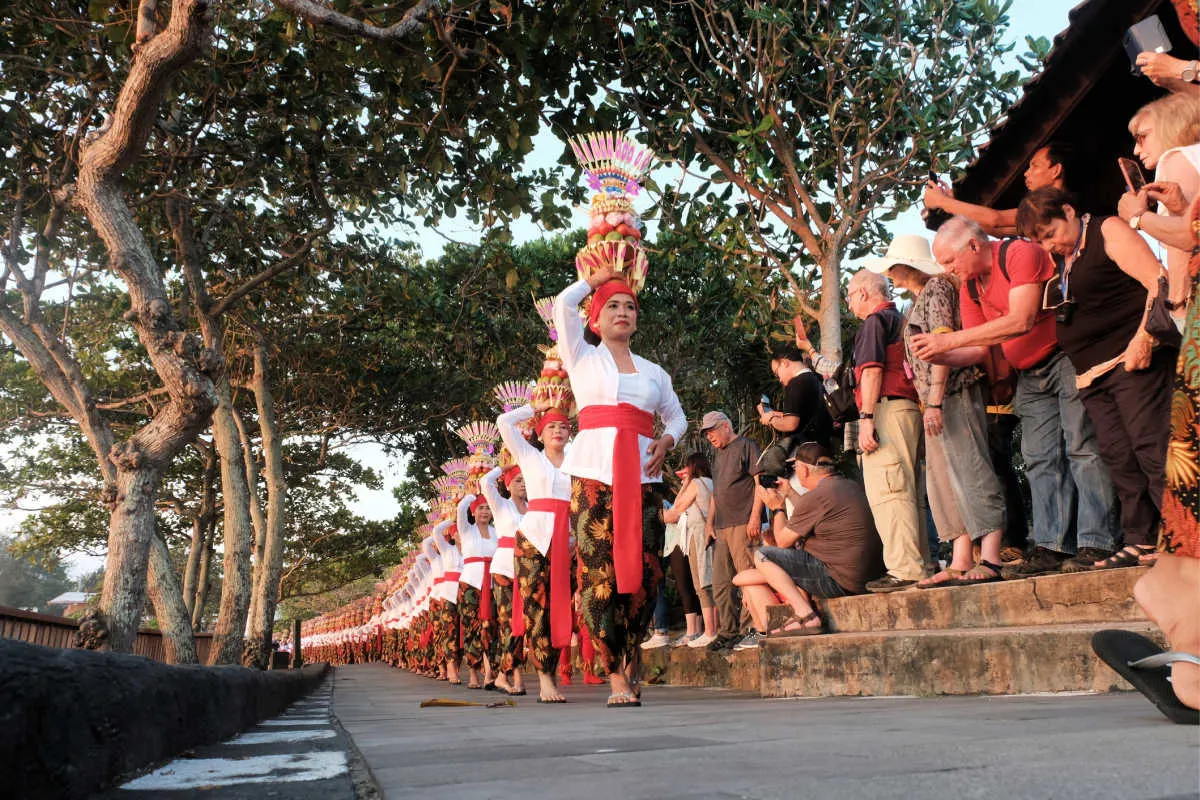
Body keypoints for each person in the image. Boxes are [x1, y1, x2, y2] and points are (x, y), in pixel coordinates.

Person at [911, 216, 1118, 576]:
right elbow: (978, 348)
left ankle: (1096, 540)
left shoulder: (1019, 252)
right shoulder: (970, 286)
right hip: (1028, 372)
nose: (946, 270)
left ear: (974, 245)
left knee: (1081, 446)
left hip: (1064, 357)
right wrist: (937, 355)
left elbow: (1021, 319)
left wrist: (947, 341)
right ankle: (1053, 545)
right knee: (1039, 457)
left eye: (949, 261)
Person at [1018, 187, 1173, 569]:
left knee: (1150, 448)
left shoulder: (1108, 230)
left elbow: (1159, 281)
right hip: (1092, 375)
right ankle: (1141, 539)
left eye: (1051, 233)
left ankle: (1181, 536)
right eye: (1041, 241)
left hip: (1132, 359)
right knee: (1119, 457)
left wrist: (1144, 338)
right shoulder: (1067, 259)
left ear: (1069, 210)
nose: (1050, 245)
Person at [553, 265, 687, 708]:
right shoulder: (582, 356)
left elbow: (678, 417)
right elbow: (561, 305)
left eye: (630, 306)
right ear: (596, 316)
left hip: (645, 478)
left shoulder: (654, 372)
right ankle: (613, 673)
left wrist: (667, 441)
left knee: (648, 575)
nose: (623, 312)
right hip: (594, 477)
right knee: (599, 577)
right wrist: (597, 279)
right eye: (612, 306)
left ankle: (633, 654)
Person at [870, 235, 1007, 587]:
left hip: (953, 391)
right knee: (943, 481)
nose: (893, 276)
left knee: (971, 468)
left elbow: (941, 344)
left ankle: (990, 555)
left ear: (908, 265)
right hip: (934, 398)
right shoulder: (919, 298)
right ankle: (961, 558)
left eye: (895, 268)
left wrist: (934, 400)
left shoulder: (937, 289)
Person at [732, 443, 884, 645]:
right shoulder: (847, 485)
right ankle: (776, 626)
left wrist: (778, 509)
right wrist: (791, 494)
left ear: (803, 469)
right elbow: (814, 508)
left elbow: (783, 542)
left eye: (795, 468)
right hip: (864, 575)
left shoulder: (818, 495)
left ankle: (805, 615)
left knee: (764, 554)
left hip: (840, 579)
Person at [838, 269, 926, 592]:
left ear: (863, 293)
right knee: (909, 491)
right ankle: (918, 563)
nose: (848, 305)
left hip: (886, 409)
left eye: (848, 296)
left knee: (889, 491)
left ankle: (904, 568)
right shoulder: (900, 321)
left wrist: (866, 417)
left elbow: (872, 371)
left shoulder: (874, 323)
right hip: (907, 410)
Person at [496, 402, 573, 704]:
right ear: (540, 434)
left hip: (566, 543)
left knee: (558, 610)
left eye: (564, 426)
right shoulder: (529, 457)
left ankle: (520, 668)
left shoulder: (578, 461)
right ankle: (545, 678)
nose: (558, 430)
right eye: (551, 426)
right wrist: (535, 407)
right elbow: (504, 422)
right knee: (536, 610)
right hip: (531, 541)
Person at [1119, 92, 1200, 329]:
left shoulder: (1174, 158)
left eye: (1142, 137)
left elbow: (1189, 235)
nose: (1135, 149)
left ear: (1172, 125)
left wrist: (1137, 218)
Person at [700, 410, 764, 650]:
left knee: (746, 576)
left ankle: (751, 628)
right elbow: (717, 493)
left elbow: (760, 482)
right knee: (721, 583)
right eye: (706, 434)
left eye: (712, 431)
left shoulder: (747, 446)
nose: (710, 437)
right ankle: (729, 631)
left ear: (726, 426)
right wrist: (709, 524)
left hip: (743, 522)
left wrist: (755, 516)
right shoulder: (717, 456)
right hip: (721, 526)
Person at [921, 143, 1074, 237]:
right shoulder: (1037, 211)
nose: (1027, 173)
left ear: (1056, 170)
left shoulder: (1060, 203)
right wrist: (952, 204)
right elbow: (997, 231)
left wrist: (942, 201)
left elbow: (996, 219)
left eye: (1035, 166)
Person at [479, 463, 526, 695]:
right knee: (509, 624)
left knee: (524, 623)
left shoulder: (533, 507)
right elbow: (485, 483)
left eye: (526, 479)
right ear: (507, 485)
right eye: (517, 480)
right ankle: (504, 675)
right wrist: (506, 465)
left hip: (528, 569)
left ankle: (511, 675)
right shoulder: (501, 505)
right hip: (505, 568)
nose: (524, 483)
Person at [663, 453, 718, 648]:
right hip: (711, 534)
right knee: (711, 581)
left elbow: (676, 509)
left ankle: (710, 631)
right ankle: (713, 629)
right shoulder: (712, 482)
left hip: (698, 536)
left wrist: (685, 483)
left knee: (701, 583)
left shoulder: (696, 484)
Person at [455, 493, 497, 689]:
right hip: (470, 584)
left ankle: (490, 671)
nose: (485, 512)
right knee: (471, 628)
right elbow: (459, 510)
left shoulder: (496, 532)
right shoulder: (466, 530)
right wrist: (472, 493)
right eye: (481, 508)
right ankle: (473, 674)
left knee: (489, 628)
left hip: (491, 584)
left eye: (488, 508)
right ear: (473, 511)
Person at [758, 345, 834, 451]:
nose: (779, 379)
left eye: (776, 373)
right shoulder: (816, 377)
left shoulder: (795, 383)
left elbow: (790, 424)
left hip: (805, 451)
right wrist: (774, 413)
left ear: (785, 363)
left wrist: (770, 419)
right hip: (823, 445)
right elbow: (806, 414)